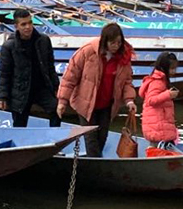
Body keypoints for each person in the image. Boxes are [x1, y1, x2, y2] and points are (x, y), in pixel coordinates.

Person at [56, 23, 137, 157]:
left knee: (102, 136)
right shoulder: (87, 52)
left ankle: (94, 161)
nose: (116, 46)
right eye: (112, 43)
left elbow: (127, 82)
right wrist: (62, 101)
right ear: (105, 41)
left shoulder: (123, 58)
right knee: (90, 138)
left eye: (118, 43)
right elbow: (70, 76)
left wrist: (129, 100)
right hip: (85, 102)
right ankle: (96, 166)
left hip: (106, 105)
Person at [0, 9, 60, 127]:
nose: (28, 27)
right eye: (23, 24)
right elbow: (5, 73)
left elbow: (50, 67)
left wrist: (56, 86)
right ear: (16, 26)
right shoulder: (9, 46)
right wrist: (2, 96)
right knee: (19, 123)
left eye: (30, 23)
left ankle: (53, 137)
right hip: (20, 90)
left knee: (56, 110)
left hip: (41, 88)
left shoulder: (44, 40)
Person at [139, 52, 180, 150]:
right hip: (157, 124)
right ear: (164, 67)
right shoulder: (157, 82)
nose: (174, 71)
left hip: (158, 123)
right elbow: (151, 100)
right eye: (172, 68)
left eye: (175, 68)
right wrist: (168, 94)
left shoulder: (161, 80)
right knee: (157, 149)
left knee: (156, 147)